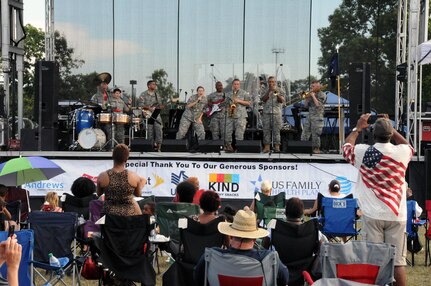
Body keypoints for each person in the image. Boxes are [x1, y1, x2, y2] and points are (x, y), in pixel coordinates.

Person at [343, 114, 414, 286]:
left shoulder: (364, 152)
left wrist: (357, 128)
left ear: (373, 134)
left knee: (372, 262)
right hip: (397, 214)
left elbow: (346, 148)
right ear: (391, 134)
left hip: (372, 214)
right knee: (398, 263)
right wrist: (390, 127)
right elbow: (408, 145)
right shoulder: (402, 152)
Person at [194, 206, 289, 286]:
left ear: (231, 235)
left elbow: (198, 279)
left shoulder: (210, 256)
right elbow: (284, 279)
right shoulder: (269, 258)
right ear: (254, 239)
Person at [96, 144, 147, 216]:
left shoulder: (102, 176)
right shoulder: (134, 176)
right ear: (126, 159)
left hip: (109, 217)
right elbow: (138, 194)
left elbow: (99, 194)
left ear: (113, 157)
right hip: (128, 218)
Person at [224, 79, 252, 153]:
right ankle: (229, 147)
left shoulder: (244, 93)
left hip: (240, 116)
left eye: (237, 84)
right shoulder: (228, 94)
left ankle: (239, 148)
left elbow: (249, 103)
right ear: (232, 85)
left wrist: (239, 101)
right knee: (227, 132)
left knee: (239, 133)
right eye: (235, 84)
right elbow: (225, 103)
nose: (236, 85)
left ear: (239, 85)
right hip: (230, 115)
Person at [260, 76, 285, 153]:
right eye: (270, 82)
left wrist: (276, 93)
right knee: (266, 130)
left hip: (276, 113)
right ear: (268, 82)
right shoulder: (264, 90)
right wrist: (269, 91)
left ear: (275, 82)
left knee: (276, 131)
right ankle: (267, 147)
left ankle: (277, 147)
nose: (271, 83)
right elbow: (263, 99)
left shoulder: (280, 90)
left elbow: (282, 101)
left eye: (272, 82)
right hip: (266, 113)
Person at [301, 80, 327, 154]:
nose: (311, 88)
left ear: (318, 86)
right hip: (310, 115)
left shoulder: (322, 94)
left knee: (316, 133)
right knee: (305, 132)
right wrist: (306, 98)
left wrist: (313, 96)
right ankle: (303, 147)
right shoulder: (310, 94)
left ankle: (316, 148)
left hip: (318, 116)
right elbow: (305, 106)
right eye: (311, 86)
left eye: (313, 86)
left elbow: (318, 105)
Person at [137, 80, 164, 152]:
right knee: (149, 131)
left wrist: (160, 107)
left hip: (156, 114)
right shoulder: (143, 94)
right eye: (153, 84)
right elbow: (140, 105)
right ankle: (150, 146)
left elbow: (160, 105)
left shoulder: (157, 95)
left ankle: (159, 147)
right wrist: (149, 108)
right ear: (149, 85)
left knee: (159, 129)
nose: (155, 85)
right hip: (147, 114)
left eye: (155, 84)